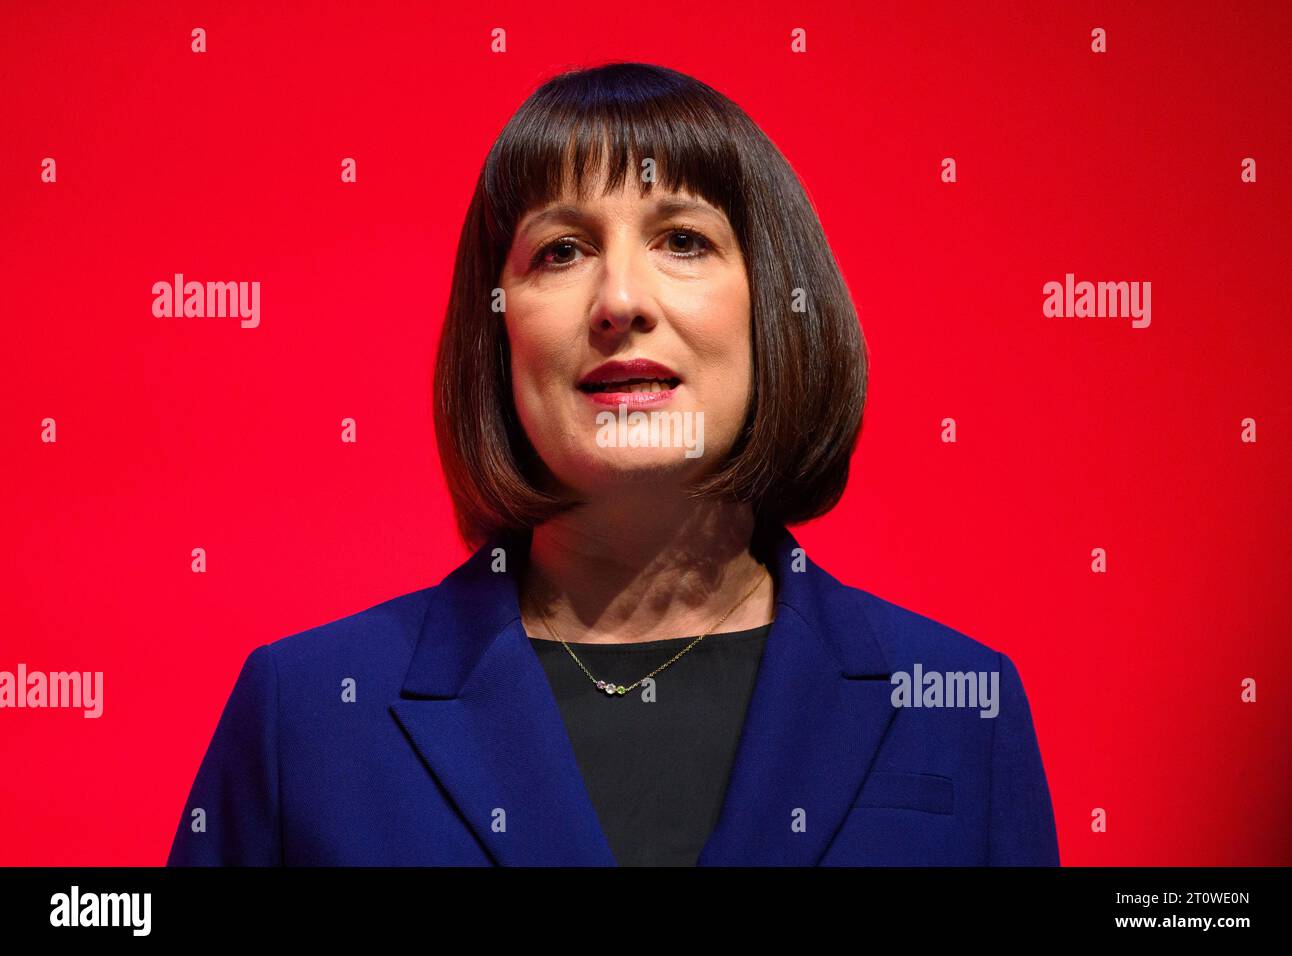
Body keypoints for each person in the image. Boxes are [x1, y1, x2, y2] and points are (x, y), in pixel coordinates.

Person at [166, 61, 1059, 867]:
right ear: (499, 329)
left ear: (774, 309)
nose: (620, 300)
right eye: (562, 250)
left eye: (682, 240)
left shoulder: (959, 705)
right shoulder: (306, 715)